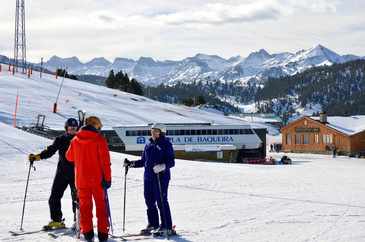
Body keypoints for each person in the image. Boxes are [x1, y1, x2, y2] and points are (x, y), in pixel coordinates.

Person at [124, 123, 175, 237]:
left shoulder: (166, 144)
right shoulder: (148, 144)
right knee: (149, 201)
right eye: (152, 132)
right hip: (148, 177)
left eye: (156, 132)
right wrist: (131, 164)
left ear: (161, 133)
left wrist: (162, 166)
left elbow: (171, 162)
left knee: (161, 201)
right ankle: (153, 223)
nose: (153, 134)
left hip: (161, 177)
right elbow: (143, 161)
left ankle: (167, 226)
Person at [66, 116, 111, 242]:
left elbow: (69, 157)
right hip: (97, 181)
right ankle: (102, 236)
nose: (99, 130)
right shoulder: (99, 139)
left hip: (81, 181)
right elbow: (105, 162)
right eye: (99, 128)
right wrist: (107, 179)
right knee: (101, 208)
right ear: (95, 126)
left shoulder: (75, 139)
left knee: (85, 209)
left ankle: (88, 235)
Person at [28, 118, 79, 230]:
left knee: (76, 199)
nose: (72, 130)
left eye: (75, 128)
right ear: (66, 128)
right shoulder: (60, 139)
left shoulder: (79, 140)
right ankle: (56, 220)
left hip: (76, 174)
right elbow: (50, 150)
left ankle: (78, 221)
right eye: (70, 128)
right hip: (61, 173)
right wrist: (38, 156)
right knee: (54, 197)